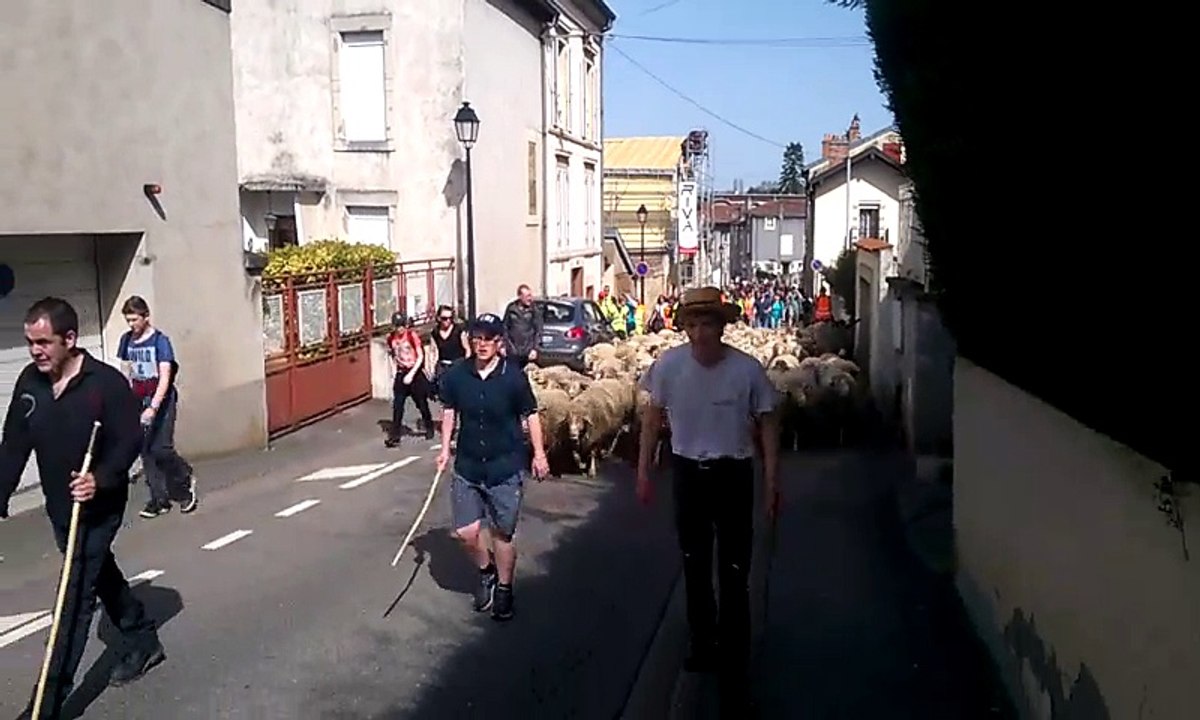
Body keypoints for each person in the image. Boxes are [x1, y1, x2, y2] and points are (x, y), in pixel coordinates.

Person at [0, 297, 166, 718]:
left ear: (70, 339)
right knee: (96, 573)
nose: (35, 351)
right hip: (60, 506)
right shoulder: (29, 383)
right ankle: (142, 637)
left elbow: (130, 441)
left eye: (43, 342)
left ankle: (45, 706)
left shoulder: (105, 385)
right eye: (30, 342)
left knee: (73, 600)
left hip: (99, 507)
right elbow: (13, 446)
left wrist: (101, 478)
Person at [636, 286, 781, 715]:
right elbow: (651, 420)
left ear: (722, 327)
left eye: (708, 324)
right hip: (688, 473)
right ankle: (703, 642)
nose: (700, 333)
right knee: (694, 564)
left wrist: (772, 480)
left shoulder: (747, 370)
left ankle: (735, 659)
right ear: (684, 328)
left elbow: (769, 423)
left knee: (735, 570)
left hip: (733, 473)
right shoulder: (668, 366)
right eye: (693, 324)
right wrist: (643, 471)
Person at [436, 313, 550, 622]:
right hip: (468, 466)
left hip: (505, 466)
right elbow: (449, 411)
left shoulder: (513, 377)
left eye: (489, 338)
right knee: (466, 532)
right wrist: (444, 449)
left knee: (502, 533)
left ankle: (504, 587)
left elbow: (530, 414)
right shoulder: (458, 375)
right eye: (477, 338)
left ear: (499, 342)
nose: (482, 344)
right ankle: (486, 571)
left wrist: (539, 454)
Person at [117, 295, 197, 518]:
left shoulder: (160, 341)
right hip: (138, 398)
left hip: (162, 399)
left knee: (161, 448)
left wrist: (153, 407)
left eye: (134, 319)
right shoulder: (126, 340)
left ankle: (184, 481)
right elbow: (126, 370)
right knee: (145, 450)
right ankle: (159, 500)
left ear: (146, 317)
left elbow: (165, 377)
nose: (131, 325)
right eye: (128, 320)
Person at [386, 311, 434, 447]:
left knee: (421, 402)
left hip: (414, 372)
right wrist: (394, 372)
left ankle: (429, 426)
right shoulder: (391, 338)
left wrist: (412, 374)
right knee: (398, 405)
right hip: (401, 372)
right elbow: (392, 355)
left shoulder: (411, 336)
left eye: (402, 325)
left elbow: (420, 356)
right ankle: (395, 436)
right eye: (397, 326)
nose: (399, 329)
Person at [428, 304, 471, 401]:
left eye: (450, 318)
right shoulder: (435, 332)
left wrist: (467, 366)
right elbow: (433, 351)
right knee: (444, 396)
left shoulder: (459, 330)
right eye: (444, 318)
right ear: (439, 318)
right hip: (443, 366)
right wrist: (431, 369)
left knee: (460, 395)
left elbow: (467, 349)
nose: (448, 321)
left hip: (458, 364)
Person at [501, 284, 543, 369]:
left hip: (527, 351)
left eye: (530, 295)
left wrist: (535, 349)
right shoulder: (511, 308)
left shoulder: (534, 310)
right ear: (520, 296)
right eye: (527, 296)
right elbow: (504, 328)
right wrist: (503, 345)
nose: (530, 298)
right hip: (512, 350)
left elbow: (538, 330)